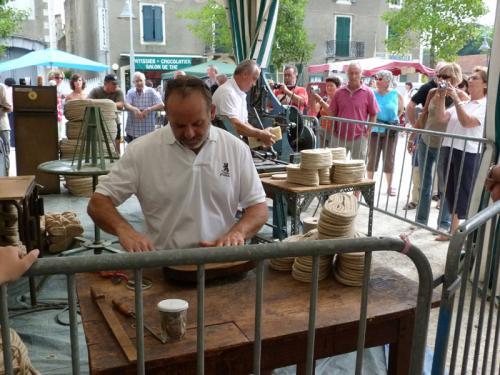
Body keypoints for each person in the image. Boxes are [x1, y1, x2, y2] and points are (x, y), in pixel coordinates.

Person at [87, 76, 269, 252]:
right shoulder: (141, 151)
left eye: (198, 124)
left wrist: (238, 232)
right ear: (167, 114)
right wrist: (125, 231)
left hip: (221, 262)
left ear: (212, 112)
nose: (189, 134)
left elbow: (258, 207)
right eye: (179, 126)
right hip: (164, 266)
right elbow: (98, 203)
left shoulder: (235, 149)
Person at [407, 63, 468, 235]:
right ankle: (421, 220)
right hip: (426, 140)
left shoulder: (462, 96)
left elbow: (453, 120)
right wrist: (413, 137)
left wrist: (451, 96)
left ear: (455, 78)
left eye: (446, 77)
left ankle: (443, 223)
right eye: (440, 76)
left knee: (444, 186)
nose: (442, 80)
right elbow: (424, 114)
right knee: (425, 184)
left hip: (446, 146)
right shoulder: (432, 92)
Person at [438, 66, 488, 238]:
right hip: (450, 148)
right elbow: (441, 117)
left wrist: (457, 100)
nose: (470, 80)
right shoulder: (464, 103)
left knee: (464, 192)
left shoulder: (485, 106)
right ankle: (453, 231)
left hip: (469, 152)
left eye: (475, 78)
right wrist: (441, 96)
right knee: (451, 191)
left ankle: (465, 234)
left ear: (485, 84)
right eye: (471, 77)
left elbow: (467, 122)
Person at [212, 59, 276, 147]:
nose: (254, 84)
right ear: (245, 74)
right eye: (254, 79)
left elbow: (244, 123)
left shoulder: (239, 93)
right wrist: (260, 134)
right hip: (222, 146)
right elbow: (234, 125)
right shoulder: (228, 93)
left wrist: (260, 137)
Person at [327, 62, 379, 160]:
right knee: (335, 167)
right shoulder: (339, 92)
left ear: (361, 74)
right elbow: (332, 112)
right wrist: (333, 129)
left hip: (359, 137)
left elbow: (373, 113)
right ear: (347, 74)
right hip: (339, 137)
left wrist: (368, 131)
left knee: (358, 169)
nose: (353, 76)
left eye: (356, 73)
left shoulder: (368, 93)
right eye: (351, 73)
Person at [366, 70, 404, 196]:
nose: (377, 80)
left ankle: (389, 186)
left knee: (389, 158)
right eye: (376, 78)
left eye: (380, 78)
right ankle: (368, 184)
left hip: (390, 131)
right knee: (372, 157)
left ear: (388, 80)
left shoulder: (396, 94)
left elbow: (400, 111)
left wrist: (391, 122)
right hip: (375, 130)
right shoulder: (371, 93)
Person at [88, 74, 125, 153]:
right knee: (100, 143)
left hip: (115, 121)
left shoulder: (119, 91)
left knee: (116, 145)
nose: (116, 85)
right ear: (106, 83)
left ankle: (117, 159)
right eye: (113, 83)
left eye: (117, 83)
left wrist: (103, 104)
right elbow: (88, 102)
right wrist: (110, 104)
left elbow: (121, 104)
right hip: (98, 122)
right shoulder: (96, 91)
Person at [123, 72, 164, 142]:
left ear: (144, 81)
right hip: (133, 130)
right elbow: (126, 105)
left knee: (147, 151)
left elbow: (161, 104)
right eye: (137, 81)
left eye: (141, 80)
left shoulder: (151, 91)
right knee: (133, 151)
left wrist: (149, 109)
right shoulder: (130, 92)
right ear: (133, 82)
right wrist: (134, 109)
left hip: (148, 130)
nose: (139, 83)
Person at [311, 76, 341, 147]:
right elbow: (315, 109)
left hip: (334, 132)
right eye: (327, 86)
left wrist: (319, 100)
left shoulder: (339, 100)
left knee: (332, 153)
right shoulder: (324, 99)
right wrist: (313, 97)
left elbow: (332, 112)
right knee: (322, 153)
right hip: (322, 130)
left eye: (331, 86)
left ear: (337, 87)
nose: (329, 88)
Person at [0, 82, 13, 175]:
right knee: (5, 153)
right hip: (2, 126)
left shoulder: (1, 87)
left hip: (2, 125)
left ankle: (6, 177)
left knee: (5, 153)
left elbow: (8, 107)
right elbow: (9, 107)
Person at [4, 78, 15, 147]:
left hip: (5, 110)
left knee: (8, 128)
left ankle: (8, 143)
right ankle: (13, 143)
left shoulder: (4, 90)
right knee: (13, 127)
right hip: (12, 110)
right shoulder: (13, 90)